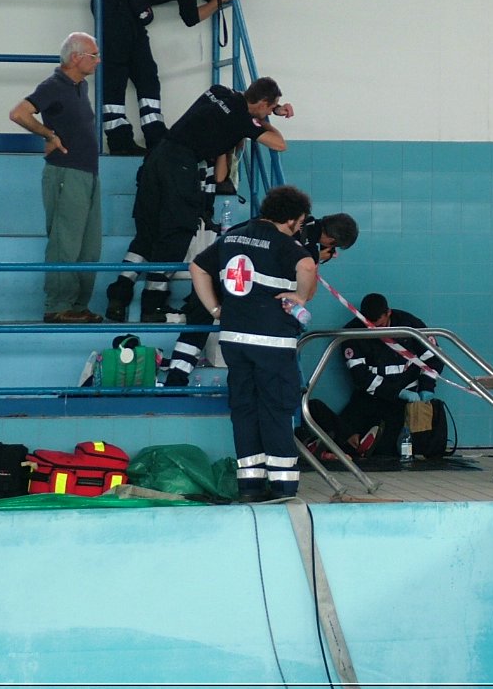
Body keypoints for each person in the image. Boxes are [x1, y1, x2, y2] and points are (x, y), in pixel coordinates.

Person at [104, 77, 292, 324]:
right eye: (269, 107)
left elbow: (242, 103)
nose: (269, 113)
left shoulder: (219, 92)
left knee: (147, 232)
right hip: (180, 166)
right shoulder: (243, 120)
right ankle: (153, 304)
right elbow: (280, 145)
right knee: (177, 233)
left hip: (157, 157)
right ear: (263, 103)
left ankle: (119, 293)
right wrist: (267, 121)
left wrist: (272, 109)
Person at [190, 184, 316, 501]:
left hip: (233, 338)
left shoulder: (233, 235)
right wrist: (300, 296)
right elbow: (307, 266)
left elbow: (197, 266)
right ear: (292, 219)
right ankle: (283, 485)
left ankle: (250, 484)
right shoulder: (283, 243)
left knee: (244, 409)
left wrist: (215, 309)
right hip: (272, 341)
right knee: (275, 408)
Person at [163, 211, 358, 387]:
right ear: (330, 239)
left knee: (195, 331)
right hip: (241, 290)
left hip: (217, 269)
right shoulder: (306, 247)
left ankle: (175, 381)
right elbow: (308, 293)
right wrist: (316, 260)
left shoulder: (282, 219)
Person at [100, 0, 244, 155]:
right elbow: (190, 17)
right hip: (113, 0)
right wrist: (220, 0)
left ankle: (156, 137)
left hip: (127, 8)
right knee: (117, 70)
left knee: (146, 72)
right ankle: (119, 140)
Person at [8, 32, 103, 324]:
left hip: (88, 173)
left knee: (89, 246)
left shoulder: (80, 86)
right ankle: (58, 305)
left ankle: (77, 305)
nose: (98, 60)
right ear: (76, 57)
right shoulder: (54, 85)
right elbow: (19, 113)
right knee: (65, 242)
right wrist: (48, 134)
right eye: (93, 55)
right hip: (66, 173)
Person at [334, 292, 444, 457]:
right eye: (370, 327)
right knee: (343, 433)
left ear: (388, 313)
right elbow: (360, 376)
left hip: (405, 399)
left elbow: (433, 358)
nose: (376, 331)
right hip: (372, 396)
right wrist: (395, 392)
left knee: (389, 446)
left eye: (380, 325)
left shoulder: (410, 325)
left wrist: (427, 386)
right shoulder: (353, 333)